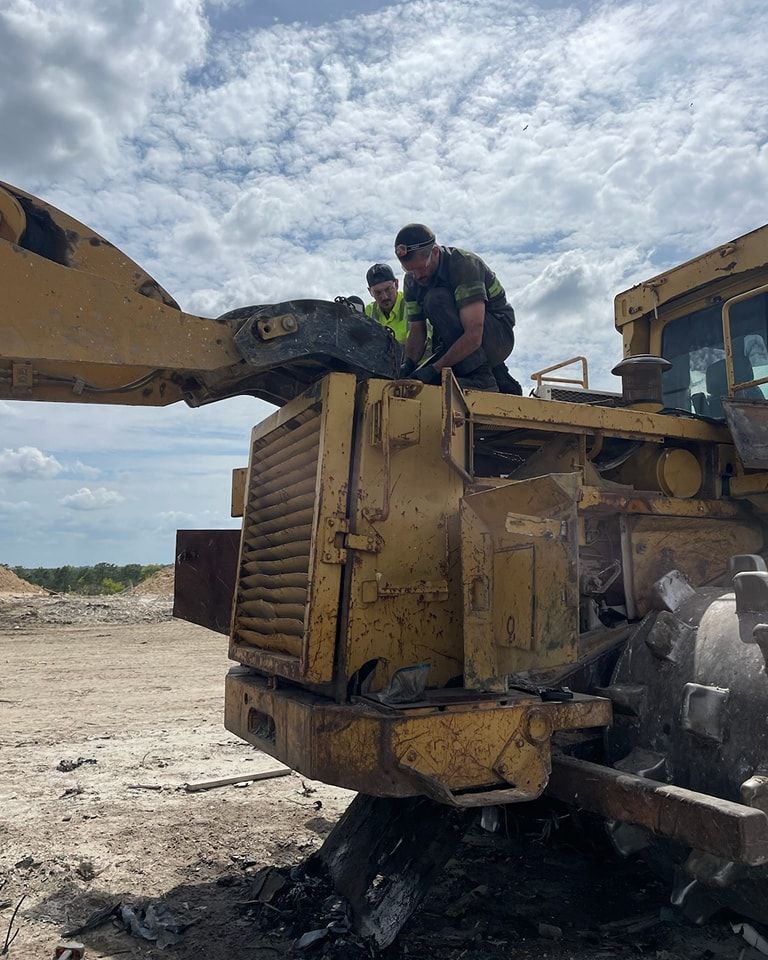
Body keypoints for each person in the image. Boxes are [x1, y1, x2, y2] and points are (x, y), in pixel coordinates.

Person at [395, 223, 522, 394]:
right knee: (419, 383)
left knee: (435, 299)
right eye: (409, 270)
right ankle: (495, 376)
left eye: (420, 268)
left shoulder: (464, 265)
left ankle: (482, 378)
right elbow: (418, 332)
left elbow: (474, 334)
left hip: (496, 335)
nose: (416, 276)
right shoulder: (412, 280)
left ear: (434, 252)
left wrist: (435, 368)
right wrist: (407, 366)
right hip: (455, 341)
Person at [364, 263, 408, 343]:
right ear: (370, 292)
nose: (384, 297)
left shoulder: (411, 303)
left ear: (397, 284)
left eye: (388, 289)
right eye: (377, 292)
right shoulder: (369, 311)